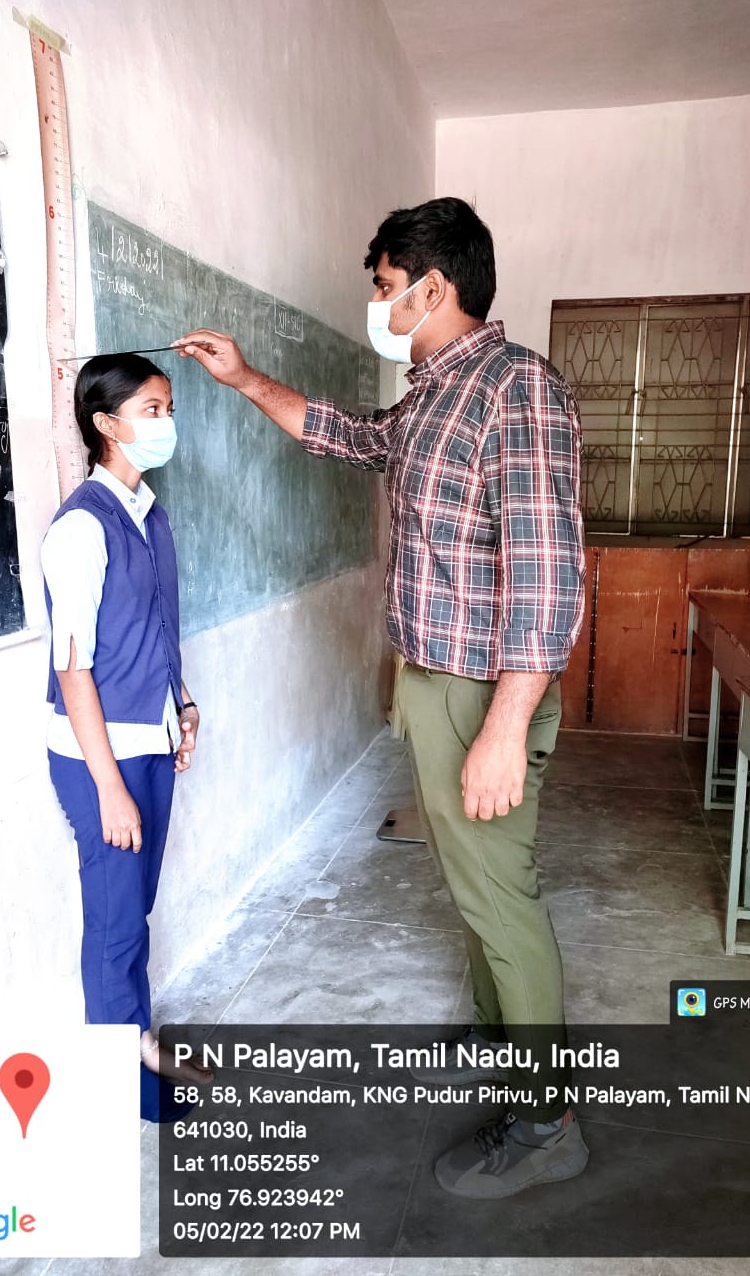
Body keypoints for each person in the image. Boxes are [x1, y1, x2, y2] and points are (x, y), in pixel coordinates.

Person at [175, 197, 587, 1196]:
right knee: (477, 883)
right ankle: (502, 1035)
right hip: (436, 683)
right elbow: (349, 436)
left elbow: (547, 576)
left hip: (481, 692)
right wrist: (244, 379)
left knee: (499, 895)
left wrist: (503, 725)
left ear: (434, 287)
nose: (380, 303)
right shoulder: (432, 396)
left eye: (387, 286)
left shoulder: (513, 388)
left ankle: (548, 1123)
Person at [42, 353, 212, 1122]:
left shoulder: (153, 515)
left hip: (151, 742)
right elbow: (73, 668)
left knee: (133, 914)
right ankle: (122, 1089)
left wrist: (183, 703)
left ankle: (137, 1061)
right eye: (151, 410)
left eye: (168, 407)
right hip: (97, 758)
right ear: (107, 424)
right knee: (114, 928)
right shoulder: (81, 526)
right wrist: (109, 786)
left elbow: (156, 629)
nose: (166, 422)